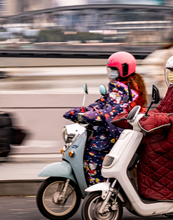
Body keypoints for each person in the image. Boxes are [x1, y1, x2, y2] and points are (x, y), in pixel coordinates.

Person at [111, 53, 173, 201]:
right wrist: (144, 114)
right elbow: (161, 110)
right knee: (146, 144)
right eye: (169, 71)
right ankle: (152, 189)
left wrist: (159, 118)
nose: (170, 75)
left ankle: (166, 193)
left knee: (155, 150)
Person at [63, 52, 147, 185]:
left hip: (115, 132)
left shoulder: (123, 90)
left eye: (114, 69)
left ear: (124, 69)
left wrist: (86, 116)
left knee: (95, 153)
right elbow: (103, 103)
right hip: (118, 130)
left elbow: (112, 112)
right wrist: (84, 110)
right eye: (110, 69)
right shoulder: (122, 86)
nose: (111, 73)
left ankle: (100, 186)